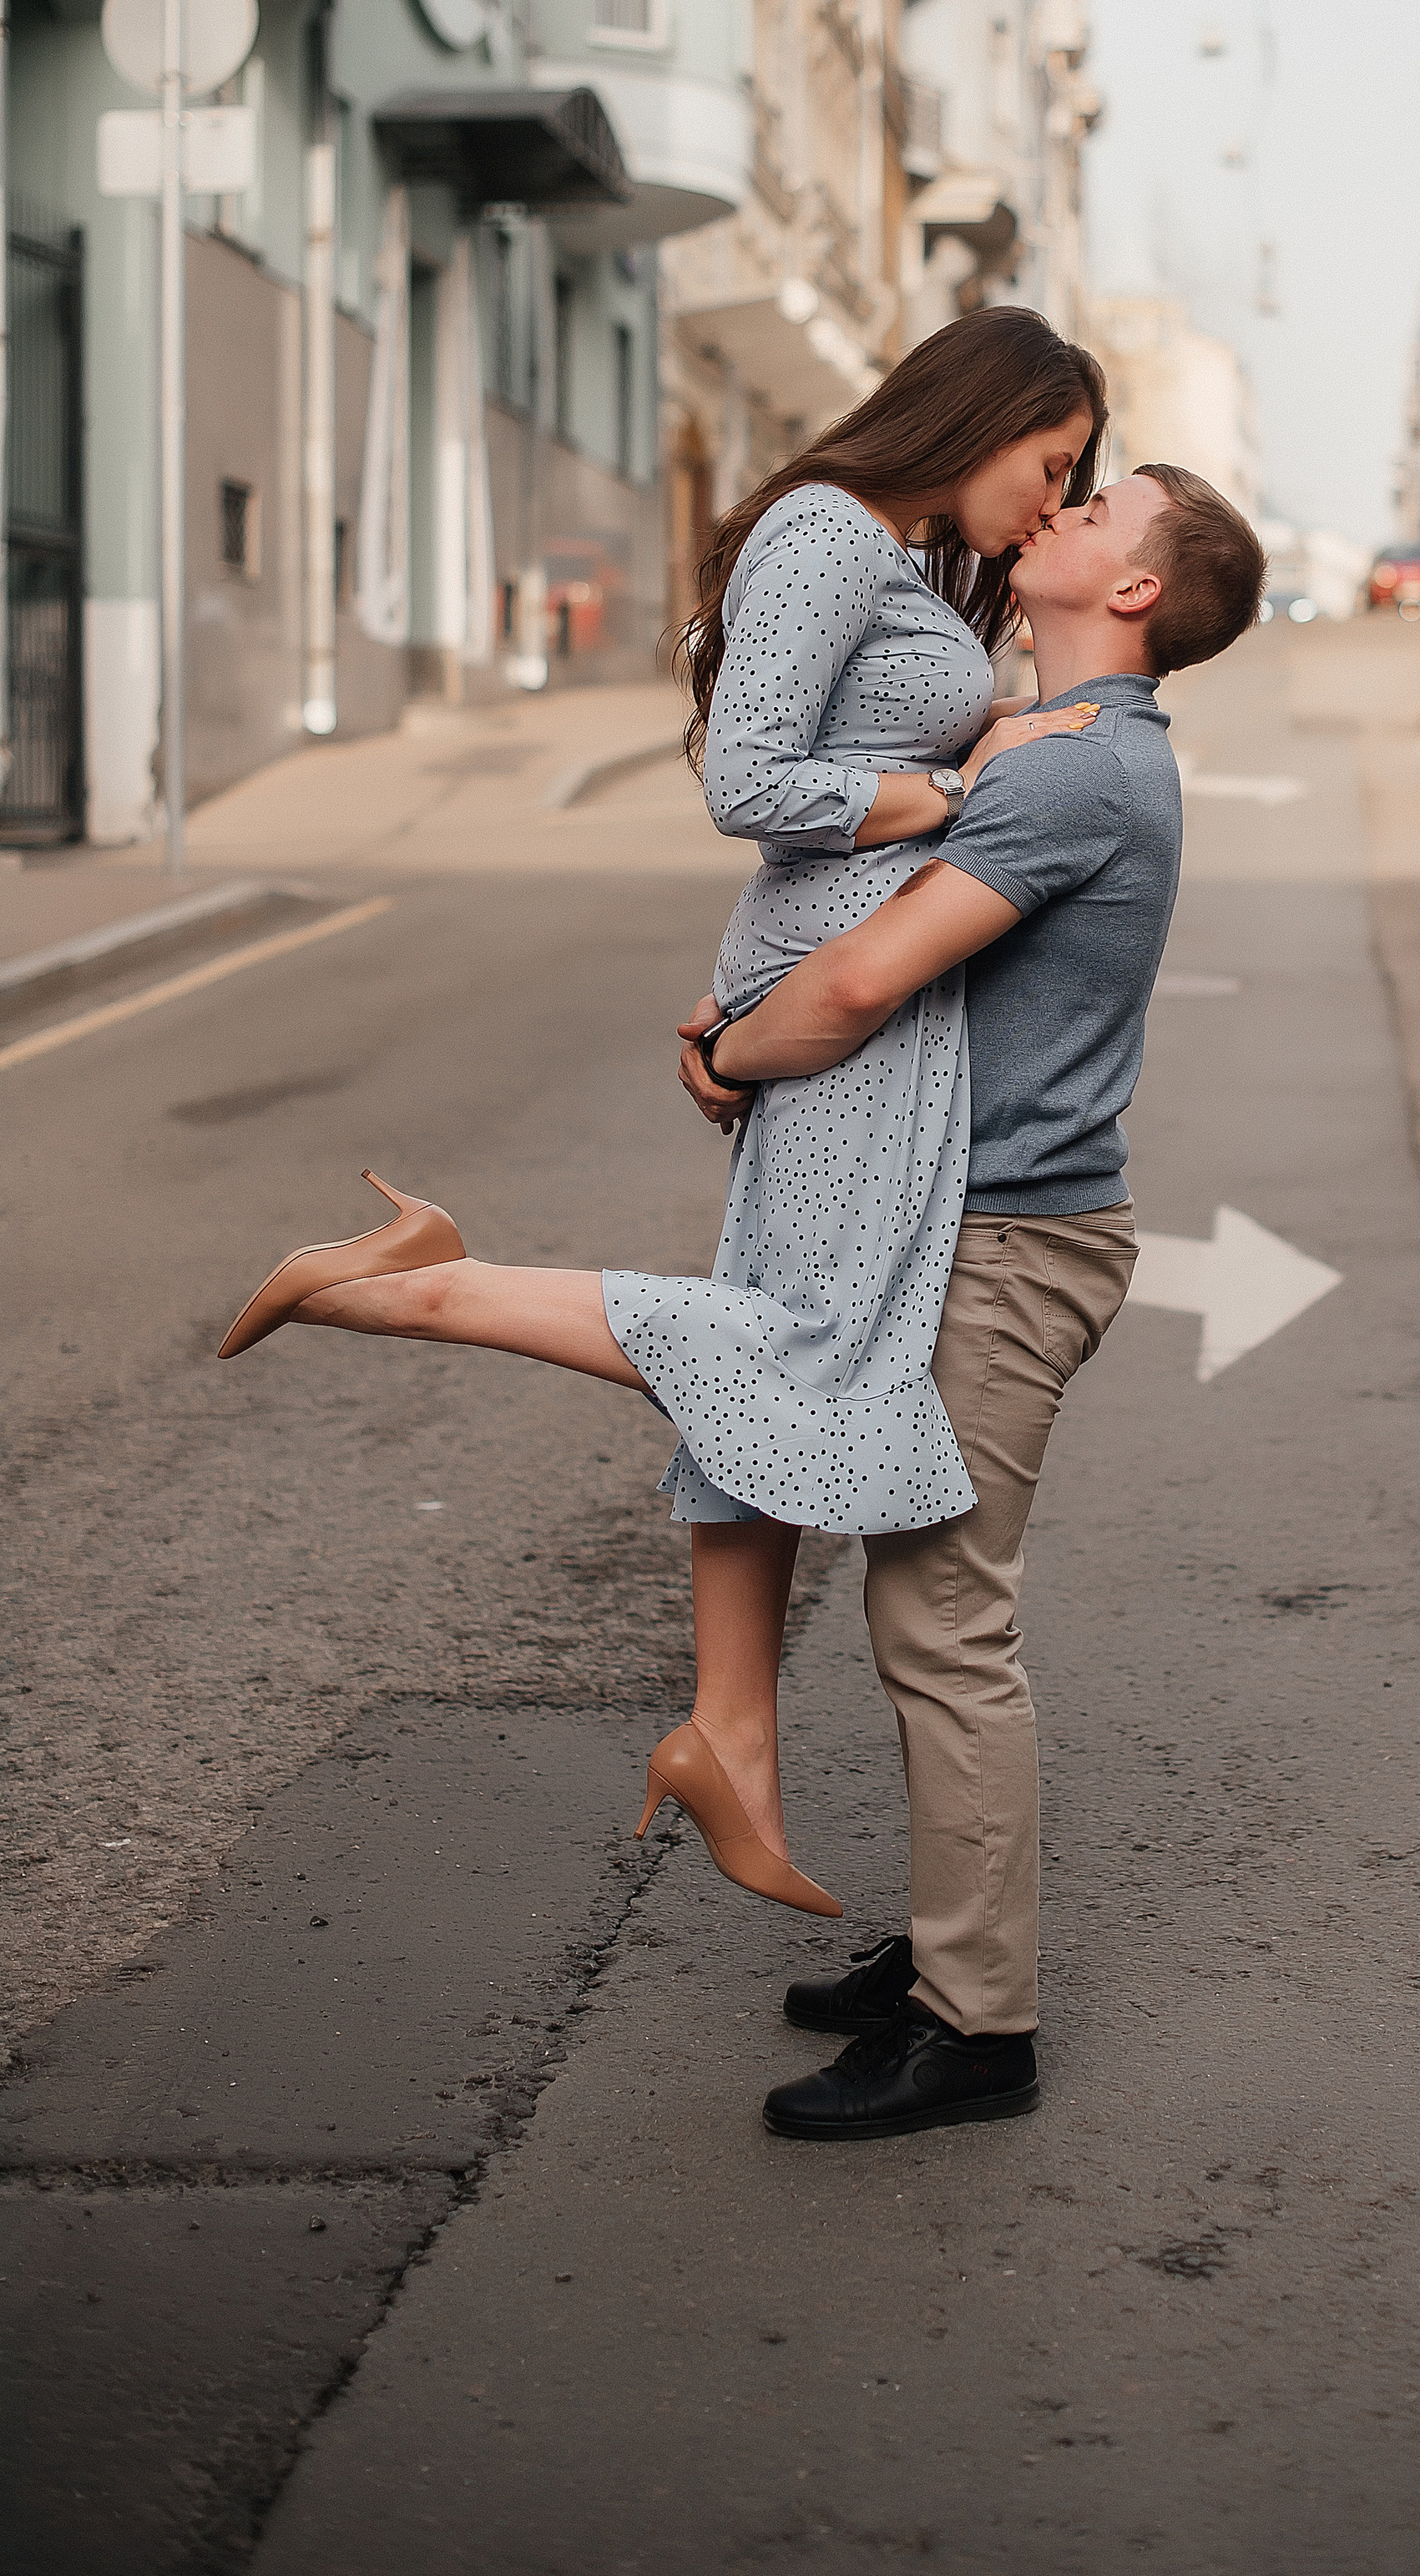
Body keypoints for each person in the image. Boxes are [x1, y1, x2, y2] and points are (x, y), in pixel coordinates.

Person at [215, 309, 1110, 1921]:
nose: (1053, 507)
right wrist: (963, 791)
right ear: (985, 416)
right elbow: (750, 780)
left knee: (792, 1337)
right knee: (808, 1341)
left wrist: (987, 734)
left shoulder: (895, 556)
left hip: (863, 980)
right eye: (1053, 467)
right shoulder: (831, 530)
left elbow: (853, 740)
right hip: (838, 980)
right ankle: (409, 1280)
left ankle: (732, 1739)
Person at [667, 459, 1267, 2139]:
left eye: (1099, 510)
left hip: (1004, 1242)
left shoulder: (1075, 778)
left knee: (942, 1623)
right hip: (975, 1224)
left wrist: (724, 1048)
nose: (1057, 519)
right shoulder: (1059, 748)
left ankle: (975, 2026)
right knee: (915, 1610)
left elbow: (860, 978)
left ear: (1135, 591)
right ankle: (943, 1949)